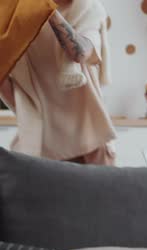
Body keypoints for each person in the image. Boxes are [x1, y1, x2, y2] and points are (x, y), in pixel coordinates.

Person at [0, 0, 116, 165]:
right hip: (42, 145)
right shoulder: (17, 17)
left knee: (99, 190)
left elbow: (81, 53)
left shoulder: (88, 8)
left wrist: (49, 11)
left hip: (90, 141)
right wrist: (25, 110)